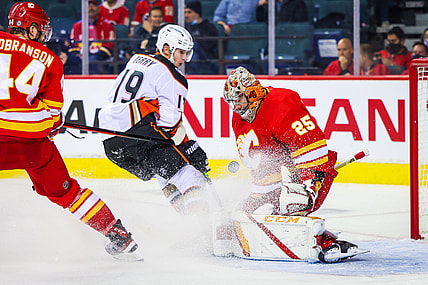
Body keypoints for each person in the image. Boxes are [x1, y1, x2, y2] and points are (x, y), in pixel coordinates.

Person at [0, 2, 139, 260]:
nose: (42, 35)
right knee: (67, 192)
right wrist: (54, 122)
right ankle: (117, 234)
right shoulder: (50, 60)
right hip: (31, 145)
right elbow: (53, 116)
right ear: (30, 30)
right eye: (40, 30)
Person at [222, 66, 361, 263]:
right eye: (232, 101)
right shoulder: (239, 117)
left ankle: (325, 242)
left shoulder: (281, 104)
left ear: (252, 94)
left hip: (307, 173)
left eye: (239, 99)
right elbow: (260, 167)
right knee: (243, 215)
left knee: (293, 201)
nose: (236, 106)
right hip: (271, 182)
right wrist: (259, 198)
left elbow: (311, 146)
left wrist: (309, 185)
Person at [98, 24, 210, 215]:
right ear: (167, 49)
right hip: (135, 129)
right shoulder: (174, 76)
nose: (184, 58)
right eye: (181, 52)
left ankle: (190, 223)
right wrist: (189, 147)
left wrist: (184, 146)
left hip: (109, 139)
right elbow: (169, 123)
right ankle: (201, 230)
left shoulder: (137, 59)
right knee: (190, 175)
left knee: (165, 171)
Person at [69, 0, 116, 74]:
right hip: (80, 57)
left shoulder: (107, 25)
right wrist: (78, 55)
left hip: (99, 58)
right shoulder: (77, 26)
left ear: (99, 8)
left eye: (94, 5)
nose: (91, 7)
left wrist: (91, 55)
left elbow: (109, 47)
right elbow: (72, 45)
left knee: (93, 60)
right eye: (88, 5)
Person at [184, 0, 219, 74]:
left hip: (206, 60)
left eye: (189, 12)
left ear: (197, 13)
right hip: (188, 57)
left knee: (193, 44)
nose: (186, 15)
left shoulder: (209, 27)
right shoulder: (186, 28)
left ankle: (192, 72)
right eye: (185, 12)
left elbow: (210, 46)